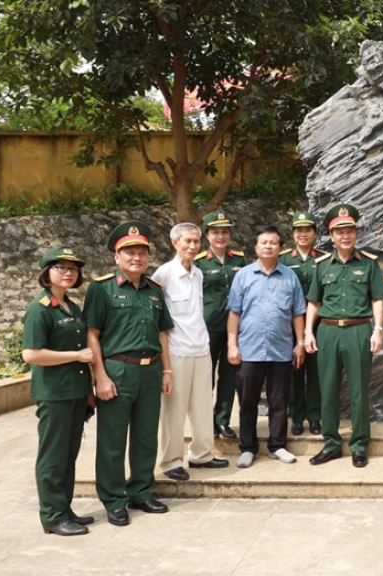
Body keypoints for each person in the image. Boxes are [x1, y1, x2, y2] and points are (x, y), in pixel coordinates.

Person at [84, 221, 174, 526]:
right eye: (129, 252)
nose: (136, 257)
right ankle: (113, 498)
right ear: (116, 256)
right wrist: (101, 376)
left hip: (150, 372)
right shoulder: (102, 288)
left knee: (146, 436)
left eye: (141, 252)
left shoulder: (154, 291)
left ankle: (140, 491)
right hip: (117, 371)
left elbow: (163, 334)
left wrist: (167, 370)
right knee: (112, 439)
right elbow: (92, 334)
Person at [305, 204, 383, 467]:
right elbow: (314, 302)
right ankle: (331, 444)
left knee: (358, 390)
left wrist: (377, 330)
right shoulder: (321, 266)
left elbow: (377, 299)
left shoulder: (369, 264)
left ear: (355, 234)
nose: (345, 236)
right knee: (327, 389)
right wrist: (308, 331)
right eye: (339, 231)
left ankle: (359, 444)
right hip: (328, 330)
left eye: (350, 230)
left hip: (358, 330)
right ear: (331, 236)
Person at [22, 246, 95, 536]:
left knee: (68, 454)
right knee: (53, 456)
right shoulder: (40, 308)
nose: (68, 273)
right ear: (46, 273)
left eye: (73, 269)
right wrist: (76, 357)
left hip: (75, 391)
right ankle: (52, 516)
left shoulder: (71, 306)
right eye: (60, 268)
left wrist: (88, 389)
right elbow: (31, 354)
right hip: (54, 393)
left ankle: (64, 509)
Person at [151, 223, 229, 482]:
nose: (193, 246)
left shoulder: (197, 273)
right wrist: (164, 365)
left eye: (196, 241)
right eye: (188, 241)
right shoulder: (164, 274)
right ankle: (172, 461)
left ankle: (202, 453)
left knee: (202, 405)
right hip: (176, 351)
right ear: (175, 243)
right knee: (174, 410)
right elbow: (157, 318)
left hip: (200, 347)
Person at [227, 225, 306, 469]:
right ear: (256, 247)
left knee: (279, 400)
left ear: (280, 248)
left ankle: (277, 445)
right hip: (249, 349)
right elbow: (234, 312)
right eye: (264, 242)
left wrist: (300, 343)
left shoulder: (289, 276)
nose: (268, 246)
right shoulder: (243, 275)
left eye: (273, 242)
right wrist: (232, 344)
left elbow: (297, 313)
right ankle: (248, 448)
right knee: (248, 401)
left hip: (281, 349)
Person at [193, 211, 246, 440]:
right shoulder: (198, 263)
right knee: (205, 377)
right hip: (207, 326)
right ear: (207, 235)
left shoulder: (239, 260)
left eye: (225, 231)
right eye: (216, 232)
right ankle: (205, 422)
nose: (221, 236)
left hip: (235, 327)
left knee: (229, 374)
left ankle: (222, 420)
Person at [279, 211, 329, 436]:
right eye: (299, 230)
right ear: (293, 234)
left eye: (307, 230)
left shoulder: (324, 259)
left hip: (321, 324)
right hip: (291, 325)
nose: (303, 234)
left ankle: (315, 417)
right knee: (295, 372)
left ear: (315, 233)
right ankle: (297, 417)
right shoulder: (284, 260)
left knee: (317, 373)